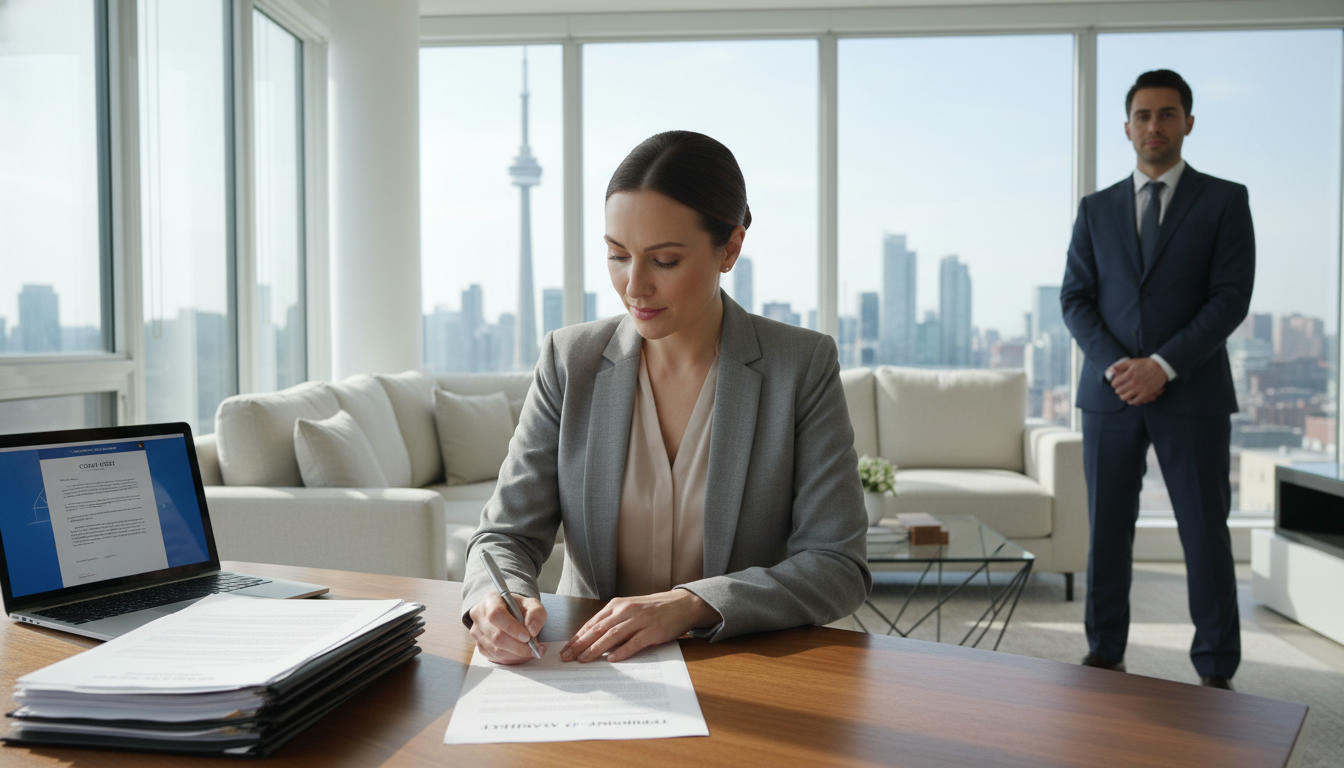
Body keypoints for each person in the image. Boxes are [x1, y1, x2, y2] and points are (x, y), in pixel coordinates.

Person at [461, 130, 872, 665]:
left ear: (730, 248)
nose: (634, 286)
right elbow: (503, 536)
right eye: (617, 255)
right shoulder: (570, 360)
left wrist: (688, 605)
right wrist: (497, 596)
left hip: (741, 667)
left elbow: (837, 564)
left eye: (666, 261)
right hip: (590, 669)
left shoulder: (800, 365)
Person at [1061, 69, 1254, 689]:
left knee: (1204, 533)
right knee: (1108, 536)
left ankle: (1217, 669)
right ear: (1126, 127)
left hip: (1191, 393)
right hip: (1110, 395)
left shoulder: (1226, 200)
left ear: (1188, 123)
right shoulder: (1095, 210)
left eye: (1167, 114)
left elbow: (1230, 298)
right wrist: (1122, 367)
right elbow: (1075, 299)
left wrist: (1162, 365)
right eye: (1143, 115)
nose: (1154, 126)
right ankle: (1104, 653)